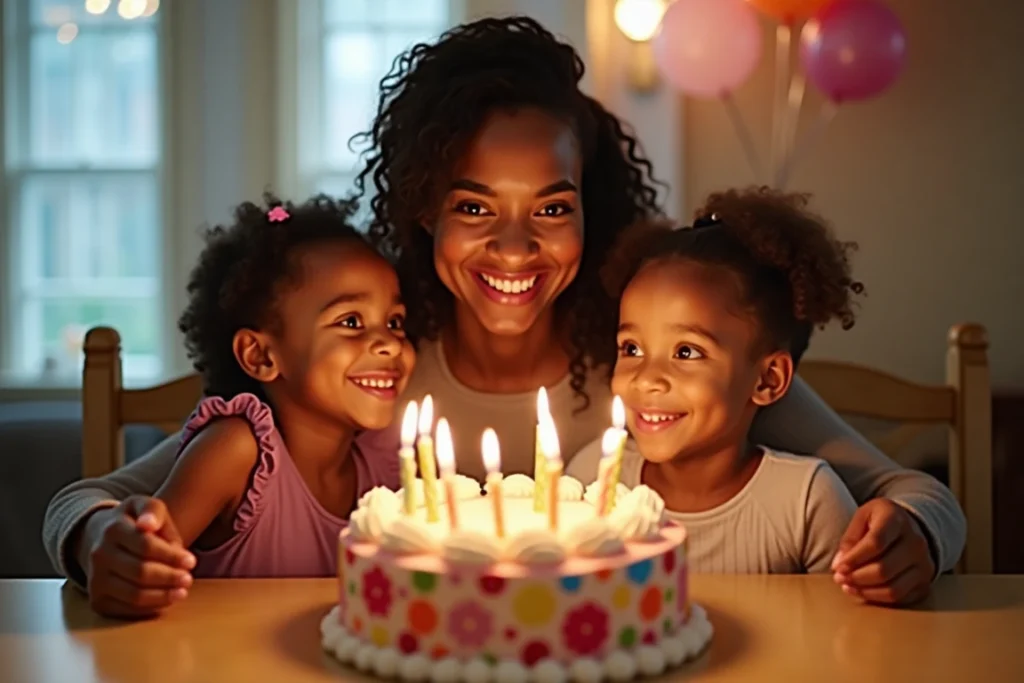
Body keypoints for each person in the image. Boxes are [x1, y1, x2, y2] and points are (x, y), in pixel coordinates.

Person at [44, 17, 963, 617]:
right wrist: (99, 546)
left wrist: (912, 540)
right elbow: (86, 504)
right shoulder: (377, 372)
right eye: (476, 207)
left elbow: (911, 493)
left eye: (552, 207)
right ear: (423, 211)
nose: (517, 249)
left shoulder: (648, 368)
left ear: (589, 211)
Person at [71, 194, 413, 613]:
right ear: (261, 355)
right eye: (351, 322)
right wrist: (128, 562)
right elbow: (140, 564)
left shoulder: (390, 459)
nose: (388, 343)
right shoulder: (236, 452)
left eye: (395, 322)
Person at [569, 188, 861, 573]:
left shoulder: (808, 504)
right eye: (632, 348)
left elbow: (852, 629)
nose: (647, 379)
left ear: (768, 380)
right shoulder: (592, 476)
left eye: (686, 352)